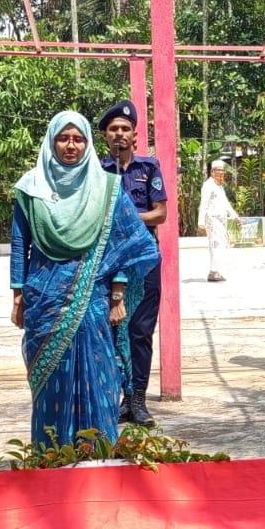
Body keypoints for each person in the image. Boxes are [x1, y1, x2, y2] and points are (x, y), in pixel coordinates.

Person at [11, 111, 159, 445]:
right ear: (51, 141)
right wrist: (18, 294)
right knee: (50, 380)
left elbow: (124, 242)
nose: (71, 146)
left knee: (98, 374)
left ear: (88, 143)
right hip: (44, 297)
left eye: (78, 139)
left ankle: (98, 452)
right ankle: (51, 454)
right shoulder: (29, 188)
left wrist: (119, 292)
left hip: (92, 297)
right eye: (63, 138)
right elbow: (20, 242)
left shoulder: (107, 187)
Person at [98, 99, 167, 426]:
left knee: (140, 331)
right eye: (113, 129)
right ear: (104, 135)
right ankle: (116, 396)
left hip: (144, 260)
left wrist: (126, 219)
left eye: (125, 129)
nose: (119, 134)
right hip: (108, 262)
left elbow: (160, 213)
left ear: (135, 135)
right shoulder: (96, 172)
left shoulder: (149, 168)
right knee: (109, 330)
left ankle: (137, 399)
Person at [199, 159, 242, 282]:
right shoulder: (208, 185)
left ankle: (215, 270)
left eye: (223, 171)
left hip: (221, 221)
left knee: (221, 245)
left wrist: (235, 216)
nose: (221, 173)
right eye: (218, 171)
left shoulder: (219, 186)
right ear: (212, 172)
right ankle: (213, 272)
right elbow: (203, 204)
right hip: (212, 220)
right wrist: (200, 222)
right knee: (216, 245)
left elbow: (226, 204)